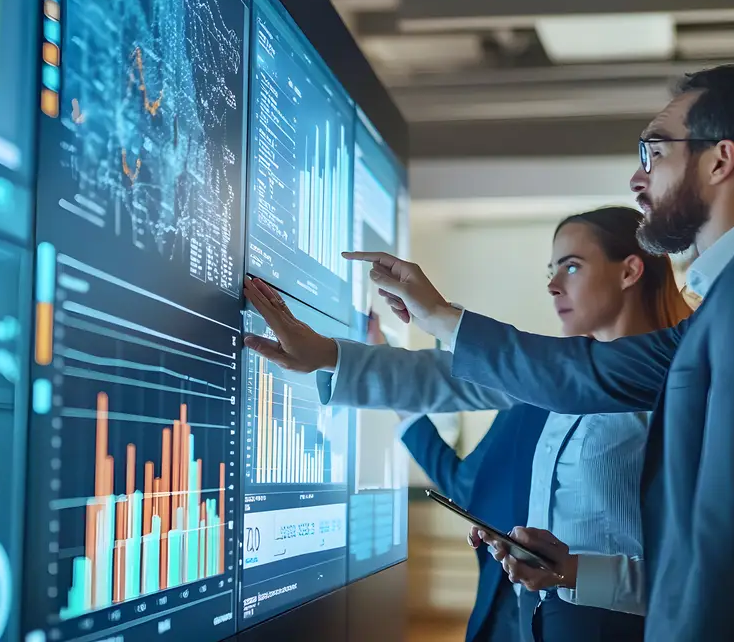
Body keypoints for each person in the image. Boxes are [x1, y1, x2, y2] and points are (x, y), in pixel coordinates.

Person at [337, 65, 734, 641]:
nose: (636, 177)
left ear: (720, 160)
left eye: (653, 150)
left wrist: (438, 320)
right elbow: (589, 374)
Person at [243, 206, 693, 641]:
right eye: (550, 272)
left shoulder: (680, 386)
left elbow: (697, 575)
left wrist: (575, 570)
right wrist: (328, 355)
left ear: (630, 271)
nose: (553, 286)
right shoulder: (557, 379)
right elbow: (447, 377)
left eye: (571, 267)